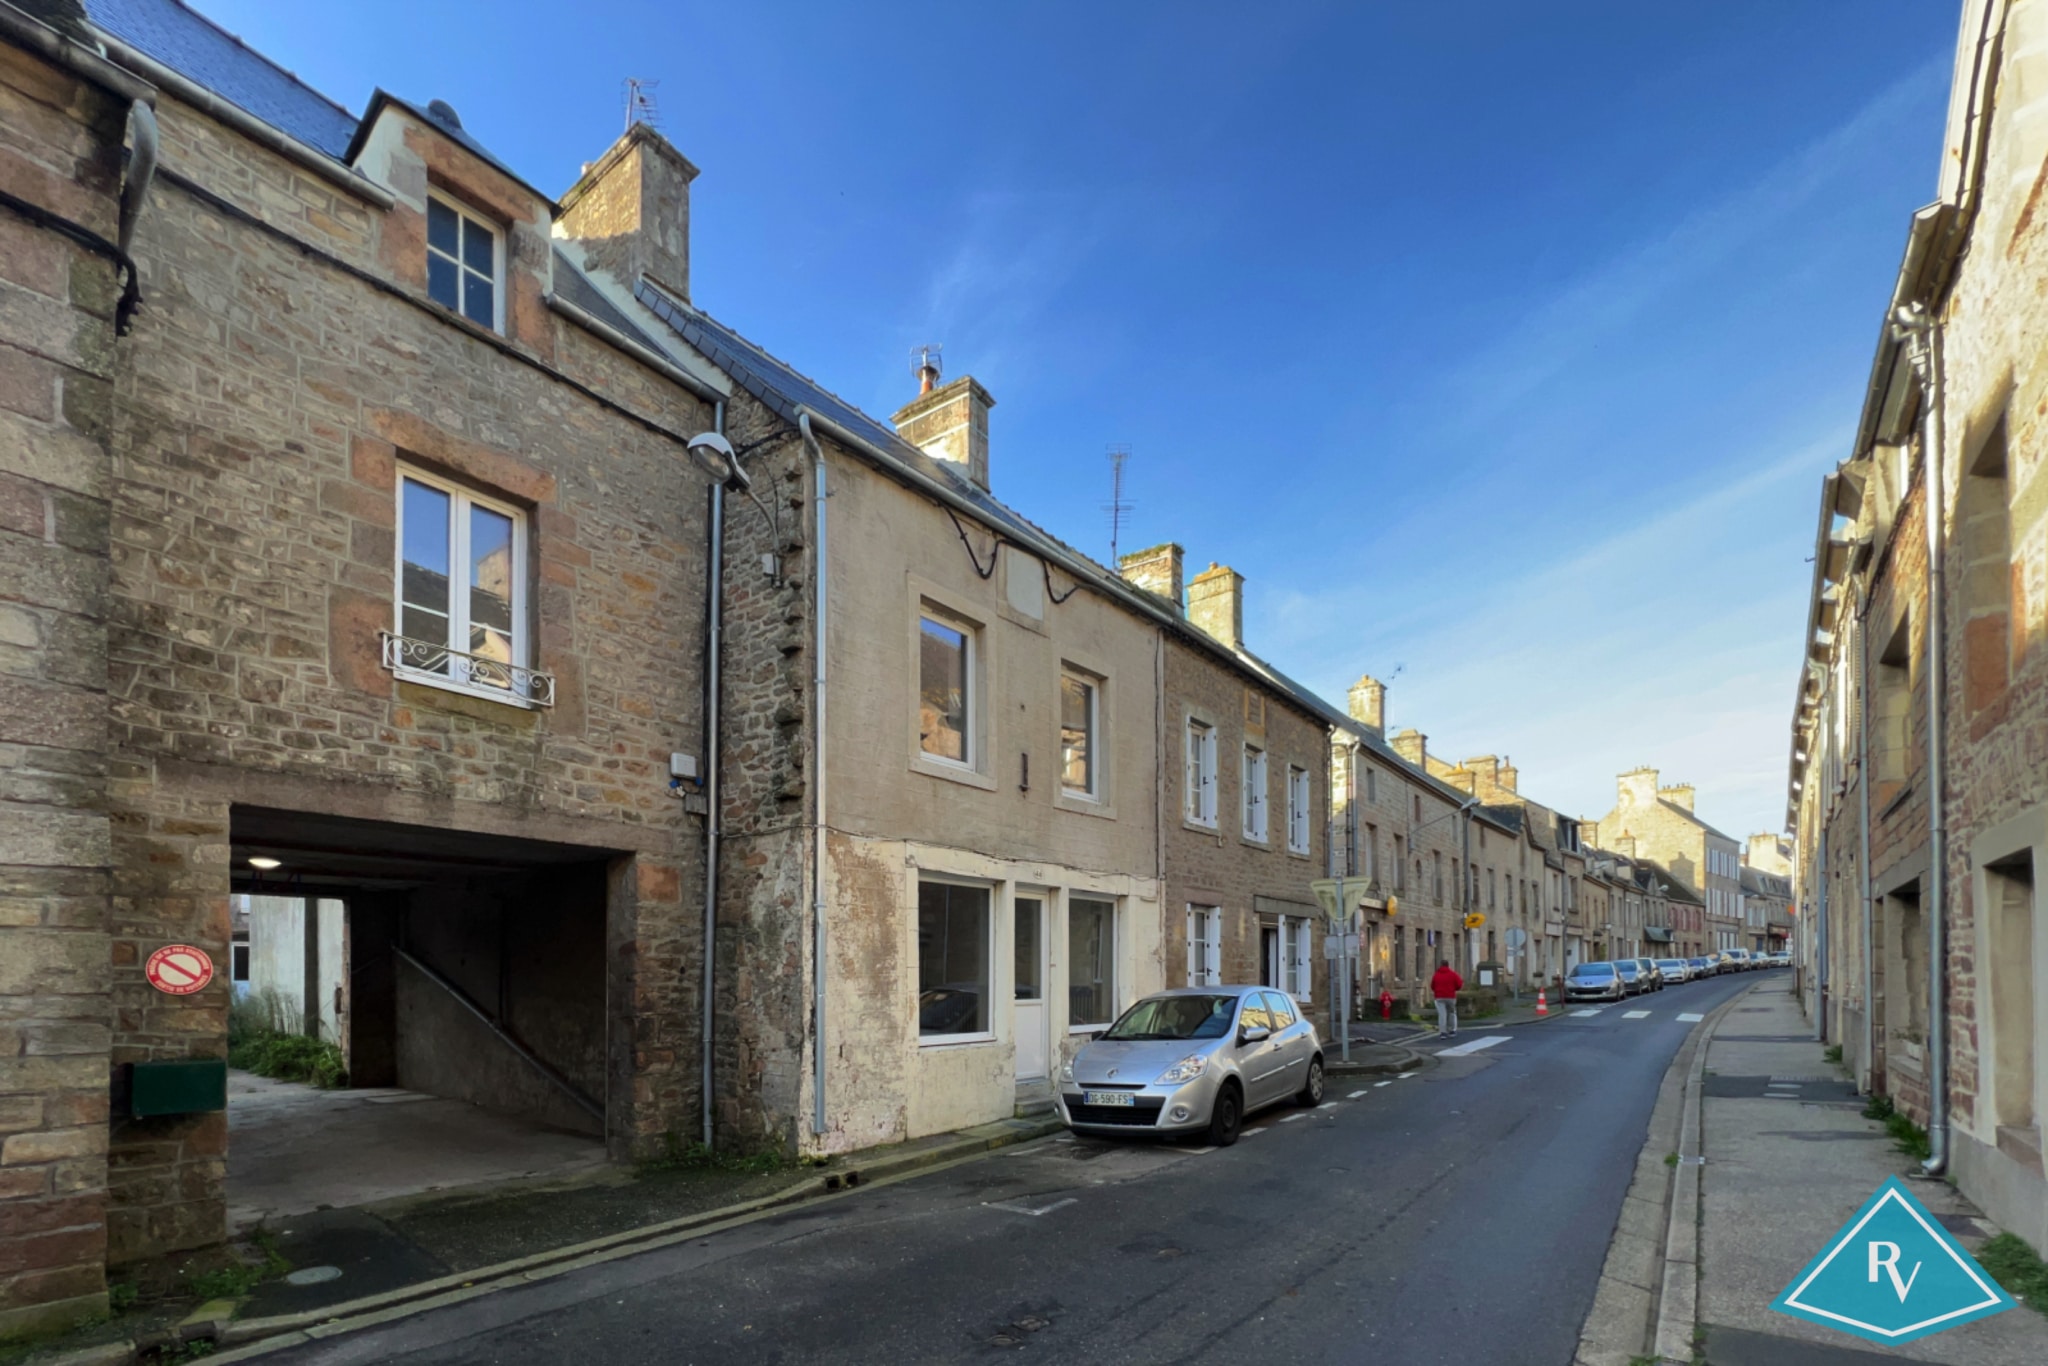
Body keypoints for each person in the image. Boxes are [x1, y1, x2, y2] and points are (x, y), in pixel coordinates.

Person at [1430, 959, 1463, 1038]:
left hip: (1439, 997)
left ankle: (1443, 1033)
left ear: (1441, 965)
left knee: (1442, 1015)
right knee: (1452, 1013)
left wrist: (1437, 991)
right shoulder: (1453, 974)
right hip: (1450, 997)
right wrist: (1454, 989)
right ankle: (1452, 1031)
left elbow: (1432, 986)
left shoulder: (1436, 975)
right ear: (1448, 965)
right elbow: (1459, 984)